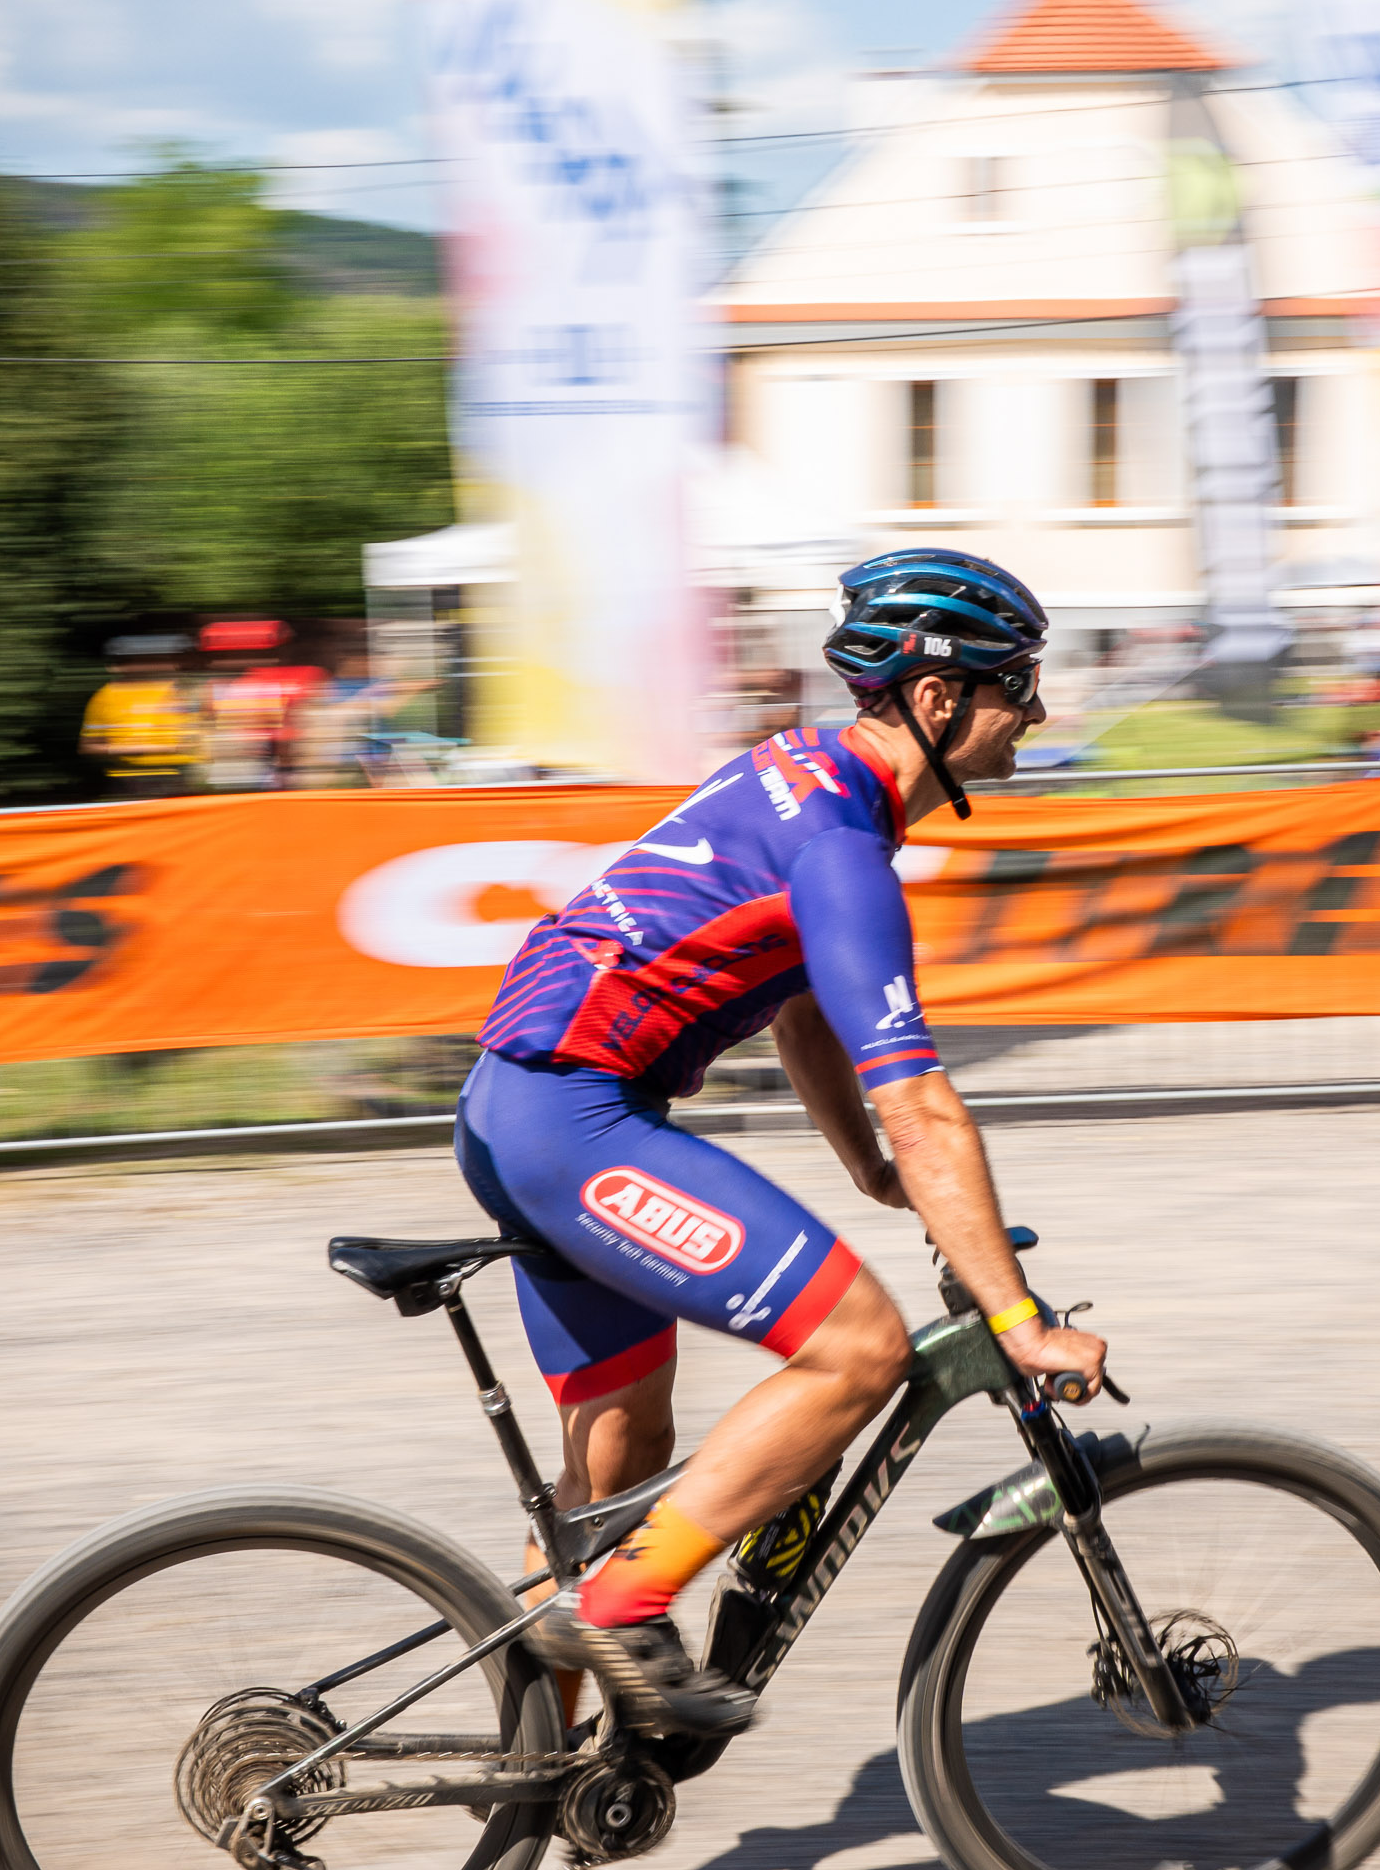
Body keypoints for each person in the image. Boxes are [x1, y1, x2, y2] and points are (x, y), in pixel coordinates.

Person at [454, 548, 1105, 1736]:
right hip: (572, 1122)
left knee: (612, 1477)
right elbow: (921, 1101)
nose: (1035, 712)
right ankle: (622, 1609)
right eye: (1015, 685)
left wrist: (864, 1168)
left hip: (511, 1106)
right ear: (938, 696)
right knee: (859, 1351)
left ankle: (531, 1786)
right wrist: (1017, 1321)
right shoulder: (842, 848)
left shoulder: (796, 771)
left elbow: (799, 1004)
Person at [78, 638, 198, 797]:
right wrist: (126, 749)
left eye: (149, 659)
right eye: (133, 660)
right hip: (128, 780)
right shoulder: (104, 697)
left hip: (176, 777)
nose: (143, 665)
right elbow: (88, 746)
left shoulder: (180, 691)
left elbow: (194, 739)